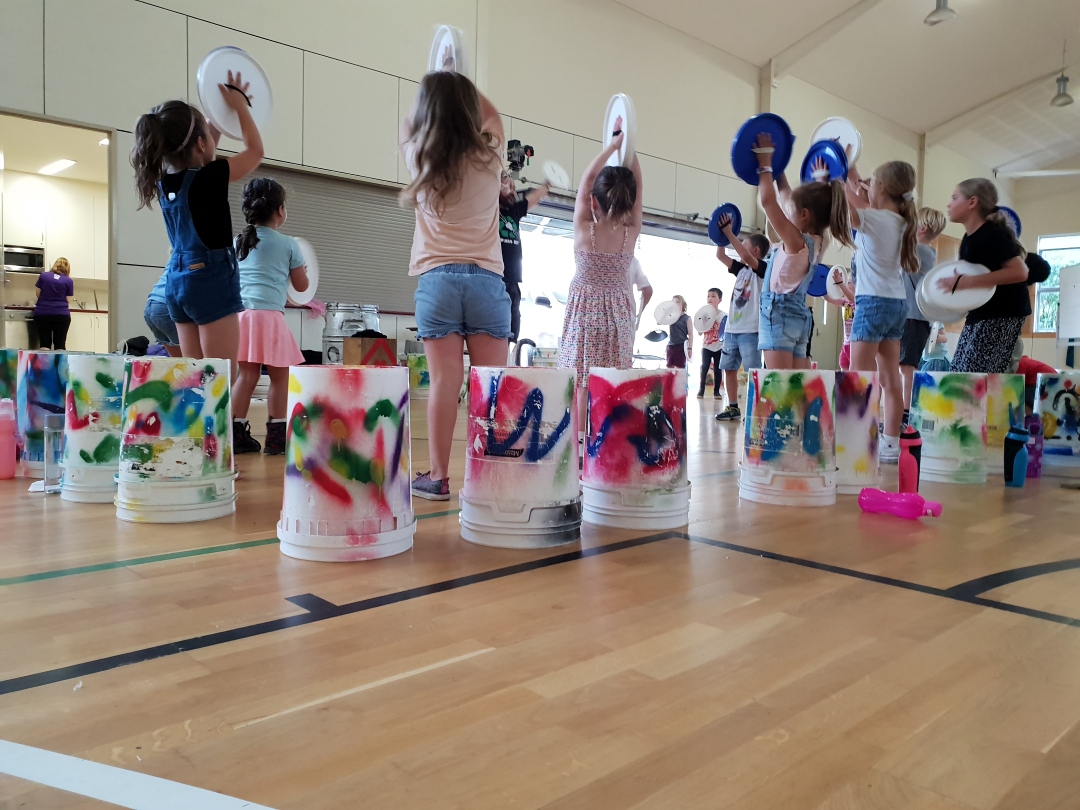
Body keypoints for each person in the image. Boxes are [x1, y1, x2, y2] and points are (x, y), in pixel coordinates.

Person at [401, 71, 511, 501]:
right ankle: (491, 479)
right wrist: (460, 74)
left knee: (446, 381)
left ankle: (439, 477)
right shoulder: (491, 159)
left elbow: (408, 122)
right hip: (487, 280)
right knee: (491, 383)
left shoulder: (419, 157)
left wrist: (435, 82)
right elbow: (494, 114)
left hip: (438, 280)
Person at [131, 73, 264, 370]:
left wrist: (219, 114)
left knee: (194, 378)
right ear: (201, 143)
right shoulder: (210, 178)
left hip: (178, 286)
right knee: (219, 380)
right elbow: (255, 151)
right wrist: (241, 107)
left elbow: (205, 149)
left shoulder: (165, 181)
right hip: (210, 281)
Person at [558, 129, 643, 432]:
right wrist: (629, 149)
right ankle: (609, 441)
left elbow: (584, 183)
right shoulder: (630, 234)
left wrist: (612, 146)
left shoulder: (584, 230)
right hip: (618, 315)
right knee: (611, 381)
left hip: (585, 313)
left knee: (582, 382)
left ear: (594, 202)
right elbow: (638, 190)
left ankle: (579, 445)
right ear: (630, 204)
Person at [754, 134, 853, 370]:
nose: (787, 214)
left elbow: (770, 202)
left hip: (778, 315)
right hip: (799, 318)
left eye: (791, 212)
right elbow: (788, 196)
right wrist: (780, 171)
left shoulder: (795, 241)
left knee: (780, 387)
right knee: (795, 386)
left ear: (805, 215)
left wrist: (765, 163)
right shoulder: (819, 240)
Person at [844, 160, 919, 463]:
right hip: (896, 303)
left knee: (857, 377)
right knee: (891, 378)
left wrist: (835, 182)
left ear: (882, 188)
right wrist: (853, 176)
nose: (866, 185)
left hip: (873, 303)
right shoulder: (900, 220)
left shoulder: (874, 218)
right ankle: (890, 442)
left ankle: (854, 441)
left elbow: (845, 209)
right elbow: (861, 199)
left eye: (872, 181)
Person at [229, 178, 309, 455]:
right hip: (270, 319)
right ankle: (277, 437)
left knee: (246, 376)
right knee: (280, 377)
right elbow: (301, 287)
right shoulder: (289, 244)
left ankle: (236, 434)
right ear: (280, 211)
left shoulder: (238, 240)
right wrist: (302, 270)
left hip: (242, 318)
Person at [938, 179, 1029, 373]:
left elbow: (1020, 272)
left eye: (954, 198)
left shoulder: (992, 233)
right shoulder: (968, 238)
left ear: (972, 202)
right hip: (981, 314)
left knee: (976, 378)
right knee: (959, 374)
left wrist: (968, 283)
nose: (949, 204)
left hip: (1003, 315)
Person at [715, 217, 769, 421]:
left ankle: (756, 410)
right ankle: (733, 407)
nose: (740, 250)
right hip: (731, 330)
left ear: (755, 251)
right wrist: (720, 234)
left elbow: (744, 254)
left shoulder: (761, 269)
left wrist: (730, 233)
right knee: (728, 369)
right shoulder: (741, 269)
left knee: (753, 372)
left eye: (744, 245)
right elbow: (720, 255)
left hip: (751, 330)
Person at [899, 207, 947, 424]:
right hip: (909, 317)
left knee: (907, 369)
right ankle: (904, 411)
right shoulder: (921, 251)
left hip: (914, 318)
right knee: (904, 368)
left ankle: (907, 413)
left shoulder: (922, 251)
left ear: (922, 227)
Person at [499, 171, 550, 343]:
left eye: (514, 187)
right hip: (494, 280)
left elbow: (533, 199)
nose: (513, 190)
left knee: (512, 333)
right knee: (496, 333)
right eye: (509, 185)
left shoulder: (513, 211)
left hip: (513, 283)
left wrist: (547, 184)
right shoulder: (488, 209)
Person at [33, 257, 74, 350]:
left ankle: (44, 364)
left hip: (42, 313)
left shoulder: (43, 275)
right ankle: (59, 364)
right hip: (61, 314)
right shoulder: (68, 280)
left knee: (44, 343)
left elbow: (38, 294)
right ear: (67, 268)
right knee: (60, 344)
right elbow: (68, 300)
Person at [143, 270, 180, 357]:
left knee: (182, 364)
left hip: (152, 304)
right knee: (196, 364)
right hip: (170, 306)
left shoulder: (177, 256)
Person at [697, 288, 726, 399]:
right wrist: (704, 322)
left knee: (718, 369)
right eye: (708, 296)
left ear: (720, 300)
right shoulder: (703, 314)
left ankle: (716, 392)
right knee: (704, 367)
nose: (710, 298)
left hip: (719, 347)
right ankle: (701, 390)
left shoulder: (723, 316)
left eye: (713, 296)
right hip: (706, 347)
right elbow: (700, 332)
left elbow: (724, 333)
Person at [666, 295, 693, 369]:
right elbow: (659, 321)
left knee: (680, 369)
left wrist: (690, 348)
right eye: (673, 302)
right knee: (669, 369)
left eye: (677, 302)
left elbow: (690, 334)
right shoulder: (671, 317)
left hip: (681, 346)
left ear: (682, 305)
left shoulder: (687, 318)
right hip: (671, 346)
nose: (675, 304)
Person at [629, 257, 654, 329]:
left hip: (596, 317)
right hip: (626, 318)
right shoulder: (632, 260)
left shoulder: (594, 258)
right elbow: (648, 291)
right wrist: (638, 315)